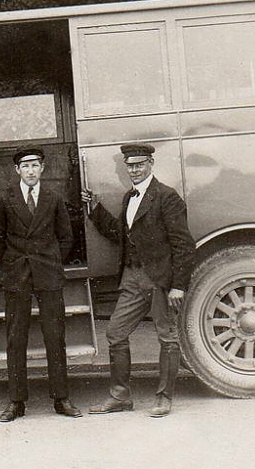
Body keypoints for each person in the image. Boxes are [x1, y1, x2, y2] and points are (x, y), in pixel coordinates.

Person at [81, 143, 195, 418]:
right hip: (132, 279)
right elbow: (120, 234)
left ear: (151, 164)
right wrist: (94, 209)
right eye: (130, 165)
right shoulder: (128, 198)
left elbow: (184, 246)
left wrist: (178, 286)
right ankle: (120, 397)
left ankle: (164, 399)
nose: (134, 170)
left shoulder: (167, 198)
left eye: (139, 164)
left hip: (158, 280)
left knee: (167, 337)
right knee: (116, 333)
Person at [0, 148, 82, 422]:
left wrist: (50, 260)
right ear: (17, 170)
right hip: (17, 275)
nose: (30, 170)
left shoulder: (53, 198)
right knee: (16, 338)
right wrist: (11, 263)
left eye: (35, 165)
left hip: (48, 274)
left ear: (43, 169)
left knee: (55, 336)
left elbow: (66, 237)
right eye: (25, 166)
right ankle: (16, 402)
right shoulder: (4, 199)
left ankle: (61, 398)